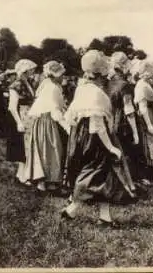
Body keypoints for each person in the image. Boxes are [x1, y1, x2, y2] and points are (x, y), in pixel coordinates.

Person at [61, 50, 136, 227]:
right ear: (100, 74)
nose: (107, 77)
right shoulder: (95, 93)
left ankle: (104, 217)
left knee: (105, 176)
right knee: (94, 174)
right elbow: (97, 125)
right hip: (95, 140)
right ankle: (72, 209)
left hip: (82, 137)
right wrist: (110, 147)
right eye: (105, 73)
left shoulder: (82, 88)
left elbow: (70, 116)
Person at [22, 61, 70, 194]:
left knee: (42, 150)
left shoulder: (47, 85)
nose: (63, 77)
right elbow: (55, 110)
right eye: (61, 74)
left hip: (40, 122)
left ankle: (43, 183)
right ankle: (51, 184)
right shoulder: (53, 88)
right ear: (55, 75)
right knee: (52, 150)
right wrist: (67, 127)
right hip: (48, 121)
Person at [105, 52, 140, 192]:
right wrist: (136, 132)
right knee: (127, 152)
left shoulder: (107, 83)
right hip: (122, 123)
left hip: (109, 120)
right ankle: (128, 182)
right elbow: (129, 110)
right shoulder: (125, 85)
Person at [6, 59, 37, 185]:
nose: (33, 71)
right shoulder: (16, 85)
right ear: (25, 71)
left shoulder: (27, 82)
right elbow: (12, 107)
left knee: (28, 146)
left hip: (29, 115)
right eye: (31, 69)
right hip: (22, 116)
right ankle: (23, 176)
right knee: (23, 146)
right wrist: (19, 122)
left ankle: (23, 174)